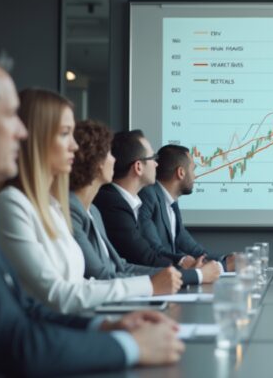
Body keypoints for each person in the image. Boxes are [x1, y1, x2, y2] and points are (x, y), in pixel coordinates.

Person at [0, 42, 183, 375]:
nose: (22, 131)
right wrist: (131, 346)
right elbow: (15, 342)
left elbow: (23, 308)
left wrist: (105, 328)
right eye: (11, 115)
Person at [0, 90, 180, 313]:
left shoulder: (53, 207)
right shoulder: (12, 204)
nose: (74, 146)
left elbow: (81, 284)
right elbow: (58, 295)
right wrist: (148, 286)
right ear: (36, 140)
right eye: (65, 134)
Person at [70, 119, 183, 293]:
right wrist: (155, 284)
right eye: (109, 154)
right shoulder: (84, 208)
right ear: (97, 162)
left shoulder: (94, 211)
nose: (115, 161)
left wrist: (171, 276)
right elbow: (103, 276)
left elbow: (121, 267)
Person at [94, 130, 219, 286]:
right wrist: (195, 274)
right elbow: (145, 257)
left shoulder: (128, 203)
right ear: (138, 167)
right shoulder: (112, 203)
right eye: (152, 158)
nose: (157, 164)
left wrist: (188, 266)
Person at [139, 144, 235, 273]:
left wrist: (224, 259)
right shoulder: (148, 195)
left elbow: (192, 248)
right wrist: (221, 266)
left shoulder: (171, 201)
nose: (195, 176)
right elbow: (154, 249)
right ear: (181, 172)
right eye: (193, 170)